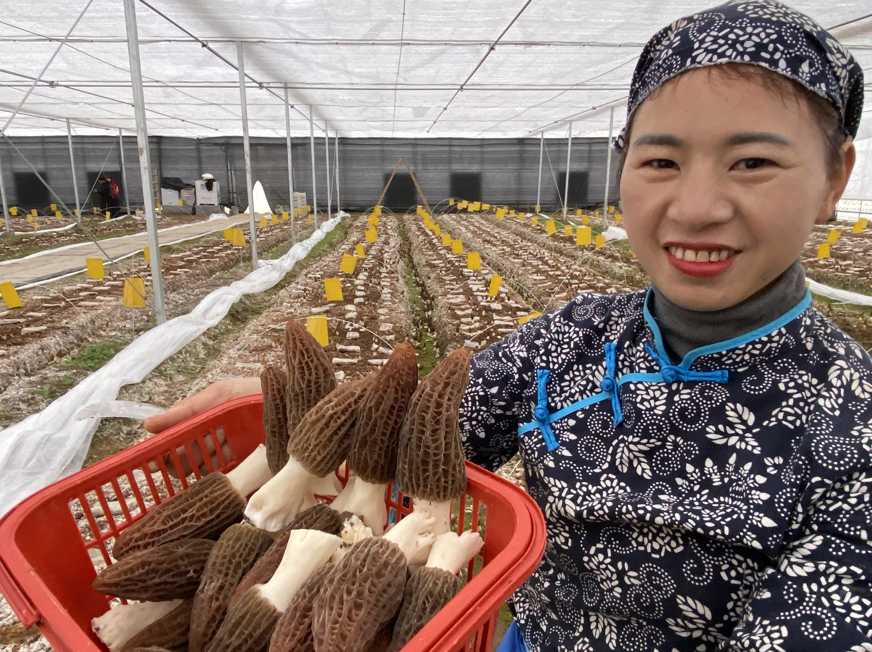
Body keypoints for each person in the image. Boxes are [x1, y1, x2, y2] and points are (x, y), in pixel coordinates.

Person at [144, 1, 868, 649]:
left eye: (752, 162)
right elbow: (430, 423)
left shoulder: (853, 426)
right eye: (661, 160)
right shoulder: (575, 337)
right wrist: (292, 403)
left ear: (835, 177)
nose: (696, 206)